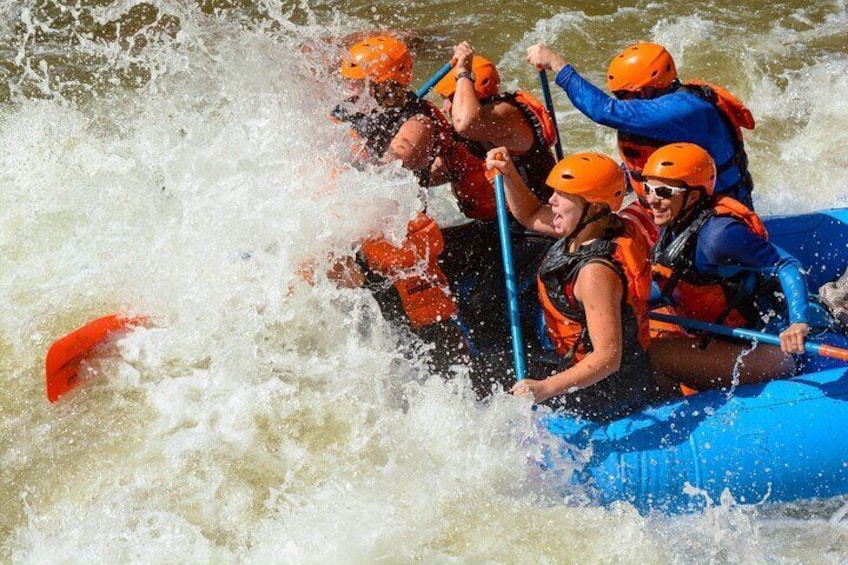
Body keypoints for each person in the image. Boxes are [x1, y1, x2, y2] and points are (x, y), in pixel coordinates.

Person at [486, 148, 659, 421]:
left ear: (595, 207)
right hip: (587, 361)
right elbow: (531, 215)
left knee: (487, 372)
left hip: (606, 391)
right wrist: (508, 173)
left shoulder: (595, 273)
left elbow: (607, 358)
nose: (552, 201)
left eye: (562, 195)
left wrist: (544, 389)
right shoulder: (600, 226)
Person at [642, 142, 810, 390]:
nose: (652, 201)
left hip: (765, 345)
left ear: (694, 195)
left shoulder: (719, 236)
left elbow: (786, 265)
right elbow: (670, 285)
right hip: (715, 334)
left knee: (651, 353)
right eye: (648, 189)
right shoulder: (675, 223)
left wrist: (798, 322)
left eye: (664, 192)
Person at [526, 42, 756, 210]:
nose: (621, 99)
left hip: (716, 211)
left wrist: (557, 64)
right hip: (670, 205)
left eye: (622, 94)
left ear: (644, 90)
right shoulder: (661, 107)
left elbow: (604, 110)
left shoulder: (683, 109)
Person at [434, 41, 558, 214]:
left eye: (446, 100)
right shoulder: (472, 129)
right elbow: (435, 173)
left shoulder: (506, 114)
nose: (443, 108)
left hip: (537, 218)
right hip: (493, 223)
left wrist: (463, 71)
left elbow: (465, 123)